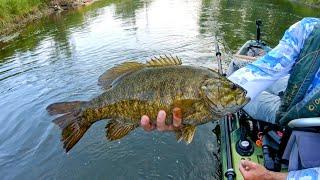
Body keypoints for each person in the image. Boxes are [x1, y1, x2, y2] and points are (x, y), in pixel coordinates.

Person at [140, 17, 320, 180]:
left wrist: (271, 176)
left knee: (241, 97)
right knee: (236, 68)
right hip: (296, 91)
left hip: (302, 125)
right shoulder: (308, 30)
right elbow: (262, 71)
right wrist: (212, 95)